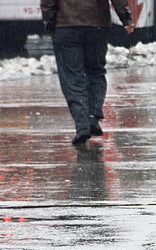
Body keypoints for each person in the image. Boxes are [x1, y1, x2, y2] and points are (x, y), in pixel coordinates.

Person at [41, 0, 135, 146]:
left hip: (66, 26)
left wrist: (50, 21)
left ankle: (82, 125)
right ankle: (92, 116)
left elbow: (48, 2)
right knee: (96, 72)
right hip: (97, 25)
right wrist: (126, 19)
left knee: (72, 78)